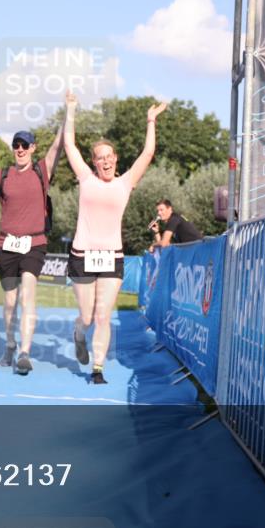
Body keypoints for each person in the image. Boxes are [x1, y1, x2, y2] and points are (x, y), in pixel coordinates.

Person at [62, 91, 166, 384]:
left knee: (103, 316)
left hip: (111, 258)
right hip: (82, 256)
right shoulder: (85, 178)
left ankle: (97, 368)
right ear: (94, 162)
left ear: (115, 159)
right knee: (86, 317)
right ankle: (78, 333)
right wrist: (71, 109)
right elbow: (69, 144)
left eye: (109, 156)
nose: (105, 161)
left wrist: (151, 121)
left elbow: (148, 154)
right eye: (100, 158)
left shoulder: (125, 183)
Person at [0, 125, 63, 375]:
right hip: (6, 245)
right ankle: (10, 344)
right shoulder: (2, 175)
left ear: (33, 148)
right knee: (9, 302)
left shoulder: (42, 170)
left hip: (34, 244)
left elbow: (58, 147)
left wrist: (67, 114)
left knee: (28, 296)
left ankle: (25, 353)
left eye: (25, 145)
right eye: (16, 145)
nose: (20, 149)